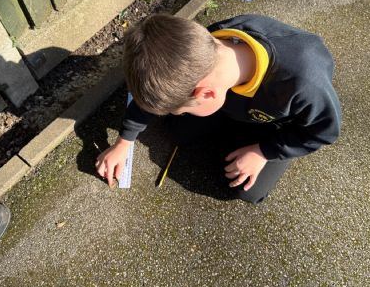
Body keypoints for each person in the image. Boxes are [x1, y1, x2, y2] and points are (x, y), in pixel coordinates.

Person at [95, 13, 341, 204]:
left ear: (206, 94)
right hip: (234, 103)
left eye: (183, 109)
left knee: (246, 189)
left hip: (276, 124)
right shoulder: (204, 47)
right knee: (177, 131)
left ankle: (249, 141)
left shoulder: (304, 84)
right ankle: (230, 129)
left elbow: (323, 132)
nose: (182, 112)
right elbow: (154, 96)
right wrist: (124, 142)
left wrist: (263, 151)